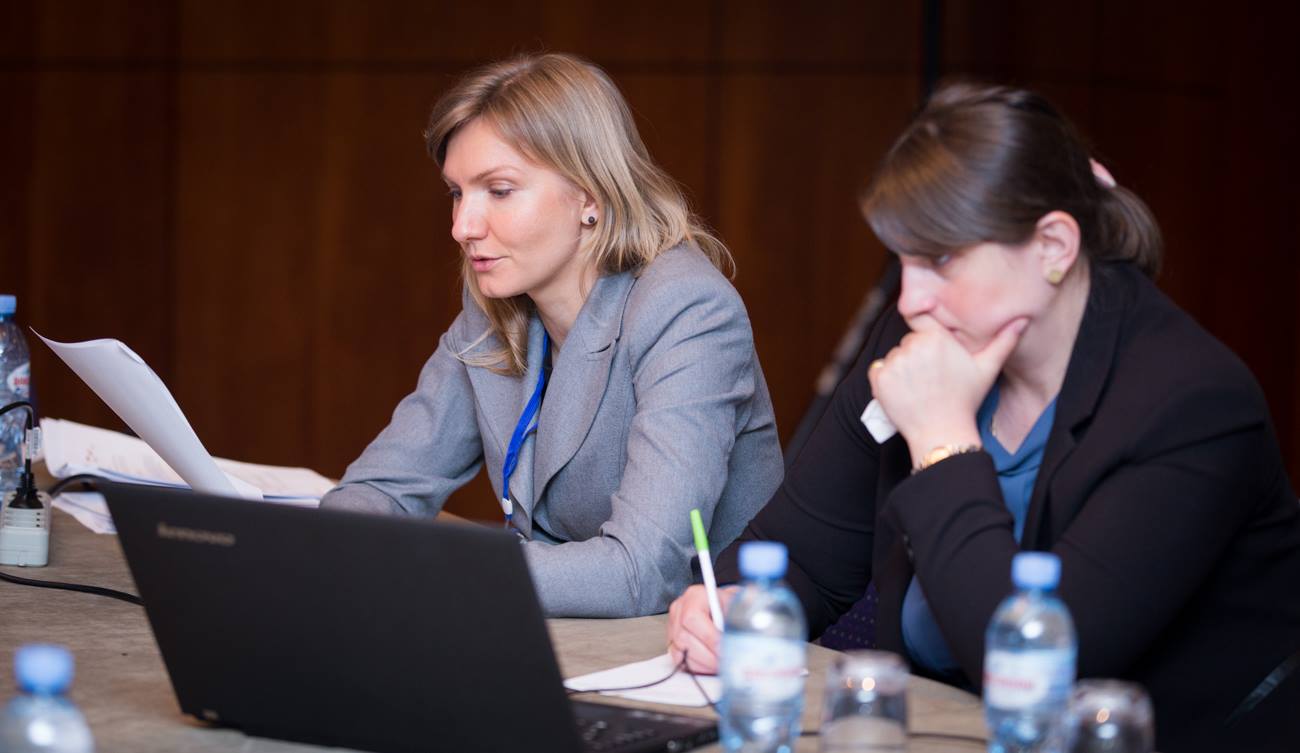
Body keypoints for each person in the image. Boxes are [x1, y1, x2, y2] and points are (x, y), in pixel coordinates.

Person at [666, 83, 1300, 751]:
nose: (911, 299)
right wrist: (734, 607)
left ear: (1053, 246)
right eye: (904, 260)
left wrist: (942, 440)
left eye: (940, 259)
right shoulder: (926, 335)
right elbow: (804, 557)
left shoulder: (1191, 402)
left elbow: (1032, 672)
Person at [321, 53, 783, 619]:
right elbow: (381, 488)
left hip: (706, 645)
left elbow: (640, 572)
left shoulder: (686, 308)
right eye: (457, 193)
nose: (463, 227)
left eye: (499, 190)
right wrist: (345, 546)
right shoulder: (494, 301)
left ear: (589, 195)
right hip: (554, 626)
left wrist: (433, 569)